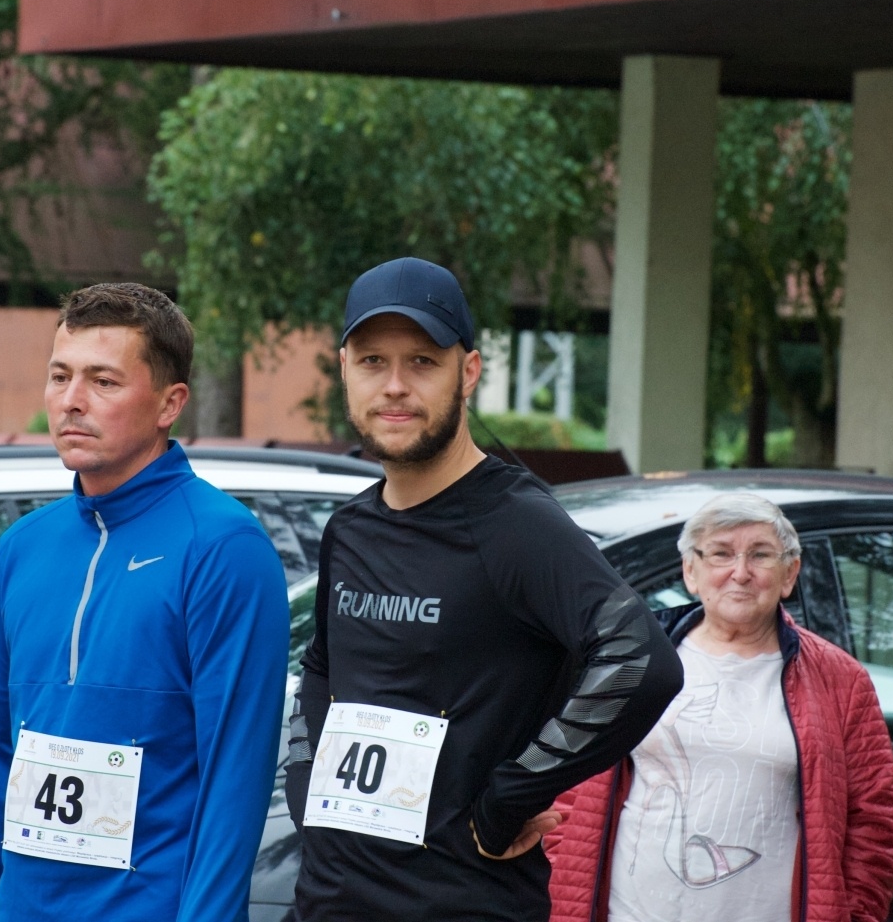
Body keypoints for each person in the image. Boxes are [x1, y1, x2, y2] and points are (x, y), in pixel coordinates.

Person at [284, 256, 684, 922]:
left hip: (460, 903)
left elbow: (641, 661)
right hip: (330, 901)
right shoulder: (350, 528)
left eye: (422, 361)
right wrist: (307, 790)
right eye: (373, 361)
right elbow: (322, 665)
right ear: (345, 370)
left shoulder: (515, 522)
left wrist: (510, 796)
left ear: (468, 372)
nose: (394, 385)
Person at [0, 283, 288, 922]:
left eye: (103, 381)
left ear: (170, 403)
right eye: (59, 376)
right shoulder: (22, 548)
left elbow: (233, 787)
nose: (72, 400)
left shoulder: (225, 547)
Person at [544, 492, 893, 922]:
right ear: (690, 571)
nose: (740, 572)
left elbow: (874, 825)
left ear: (789, 574)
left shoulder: (840, 680)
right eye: (720, 554)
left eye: (761, 555)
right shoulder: (632, 660)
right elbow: (566, 783)